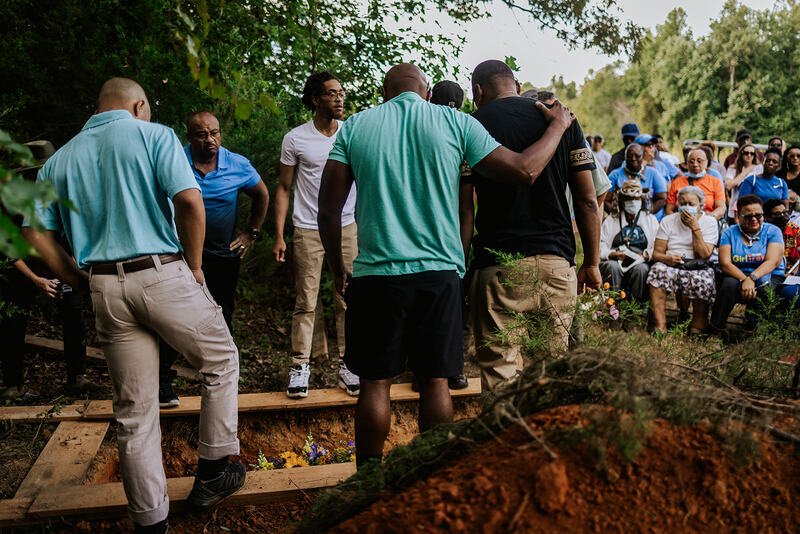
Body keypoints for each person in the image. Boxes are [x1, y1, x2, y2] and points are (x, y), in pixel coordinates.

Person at [317, 62, 577, 468]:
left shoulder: (355, 126)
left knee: (375, 384)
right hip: (438, 276)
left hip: (375, 275)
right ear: (425, 93)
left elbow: (328, 210)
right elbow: (524, 170)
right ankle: (431, 473)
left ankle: (367, 476)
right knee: (436, 381)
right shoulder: (454, 122)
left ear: (384, 94)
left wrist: (338, 269)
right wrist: (558, 127)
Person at [22, 78, 244, 533]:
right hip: (162, 272)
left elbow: (32, 232)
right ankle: (213, 472)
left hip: (104, 285)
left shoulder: (59, 159)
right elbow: (188, 201)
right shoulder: (154, 135)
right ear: (139, 105)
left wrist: (72, 278)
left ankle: (150, 523)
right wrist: (196, 266)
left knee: (134, 410)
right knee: (221, 359)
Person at [458, 60, 601, 390]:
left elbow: (464, 210)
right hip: (556, 264)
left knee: (500, 373)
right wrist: (591, 262)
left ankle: (504, 440)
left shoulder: (470, 125)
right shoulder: (563, 119)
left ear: (477, 91)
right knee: (550, 379)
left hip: (498, 267)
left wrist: (462, 269)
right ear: (518, 86)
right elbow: (588, 200)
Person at [159, 110, 269, 407]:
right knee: (170, 316)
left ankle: (224, 379)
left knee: (222, 313)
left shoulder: (237, 165)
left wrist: (252, 232)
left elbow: (262, 194)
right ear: (189, 136)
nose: (210, 140)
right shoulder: (174, 160)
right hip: (178, 255)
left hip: (222, 254)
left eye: (215, 133)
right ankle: (163, 383)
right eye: (202, 134)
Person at [274, 71, 360, 399]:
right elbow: (283, 187)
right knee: (306, 300)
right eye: (331, 93)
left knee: (347, 297)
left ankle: (349, 364)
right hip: (308, 228)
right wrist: (280, 234)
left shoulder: (351, 133)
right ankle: (299, 366)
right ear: (315, 100)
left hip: (347, 226)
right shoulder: (296, 138)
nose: (339, 98)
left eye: (341, 92)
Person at [1, 141, 93, 400]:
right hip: (21, 271)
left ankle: (77, 378)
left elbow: (75, 235)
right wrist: (35, 279)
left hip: (59, 268)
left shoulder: (63, 193)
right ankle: (12, 385)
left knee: (74, 316)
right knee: (13, 322)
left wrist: (72, 267)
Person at [430, 79, 469, 390]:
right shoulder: (463, 130)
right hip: (450, 232)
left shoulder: (422, 131)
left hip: (420, 229)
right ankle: (454, 369)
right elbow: (467, 205)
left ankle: (422, 370)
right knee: (451, 306)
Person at [646, 186, 719, 335]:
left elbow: (705, 254)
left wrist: (695, 228)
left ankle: (697, 327)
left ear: (700, 205)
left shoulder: (709, 222)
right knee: (656, 271)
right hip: (672, 263)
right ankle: (660, 326)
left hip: (697, 265)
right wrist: (668, 258)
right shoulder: (668, 221)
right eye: (683, 203)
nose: (686, 207)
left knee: (704, 279)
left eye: (691, 204)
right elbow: (657, 254)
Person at [708, 195, 785, 334]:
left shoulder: (773, 231)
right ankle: (716, 330)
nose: (754, 219)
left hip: (769, 273)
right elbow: (725, 263)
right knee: (728, 286)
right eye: (748, 216)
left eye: (758, 215)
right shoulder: (729, 232)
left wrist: (752, 278)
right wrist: (745, 279)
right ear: (738, 215)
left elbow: (772, 261)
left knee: (764, 288)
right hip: (736, 273)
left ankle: (752, 329)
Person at [599, 180, 659, 301]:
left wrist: (646, 255)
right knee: (612, 267)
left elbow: (657, 244)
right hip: (616, 259)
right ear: (622, 200)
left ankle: (637, 307)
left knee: (641, 270)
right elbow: (601, 244)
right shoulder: (611, 220)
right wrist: (611, 254)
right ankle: (611, 304)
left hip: (640, 260)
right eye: (628, 199)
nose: (633, 202)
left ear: (642, 200)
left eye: (637, 199)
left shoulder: (650, 220)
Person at [606, 143, 668, 219]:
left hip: (648, 219)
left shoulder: (653, 173)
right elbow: (605, 200)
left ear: (642, 157)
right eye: (630, 156)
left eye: (637, 156)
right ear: (625, 158)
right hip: (621, 221)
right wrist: (618, 216)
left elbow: (662, 198)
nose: (633, 158)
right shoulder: (615, 175)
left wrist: (646, 215)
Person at [665, 148, 726, 220]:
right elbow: (669, 209)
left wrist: (711, 218)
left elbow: (721, 207)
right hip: (681, 223)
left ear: (706, 163)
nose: (695, 164)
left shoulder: (715, 182)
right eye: (691, 161)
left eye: (699, 161)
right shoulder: (677, 182)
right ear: (687, 164)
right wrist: (678, 221)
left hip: (706, 222)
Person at [764, 199, 800, 302]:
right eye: (778, 214)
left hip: (791, 272)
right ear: (767, 217)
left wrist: (792, 273)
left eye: (785, 212)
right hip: (769, 271)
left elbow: (799, 260)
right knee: (768, 290)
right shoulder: (763, 231)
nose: (783, 216)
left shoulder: (795, 230)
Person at [725, 142, 763, 223]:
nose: (749, 155)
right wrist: (744, 173)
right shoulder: (733, 168)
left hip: (753, 208)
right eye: (746, 153)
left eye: (752, 153)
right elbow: (728, 186)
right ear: (741, 154)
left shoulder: (759, 168)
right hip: (735, 208)